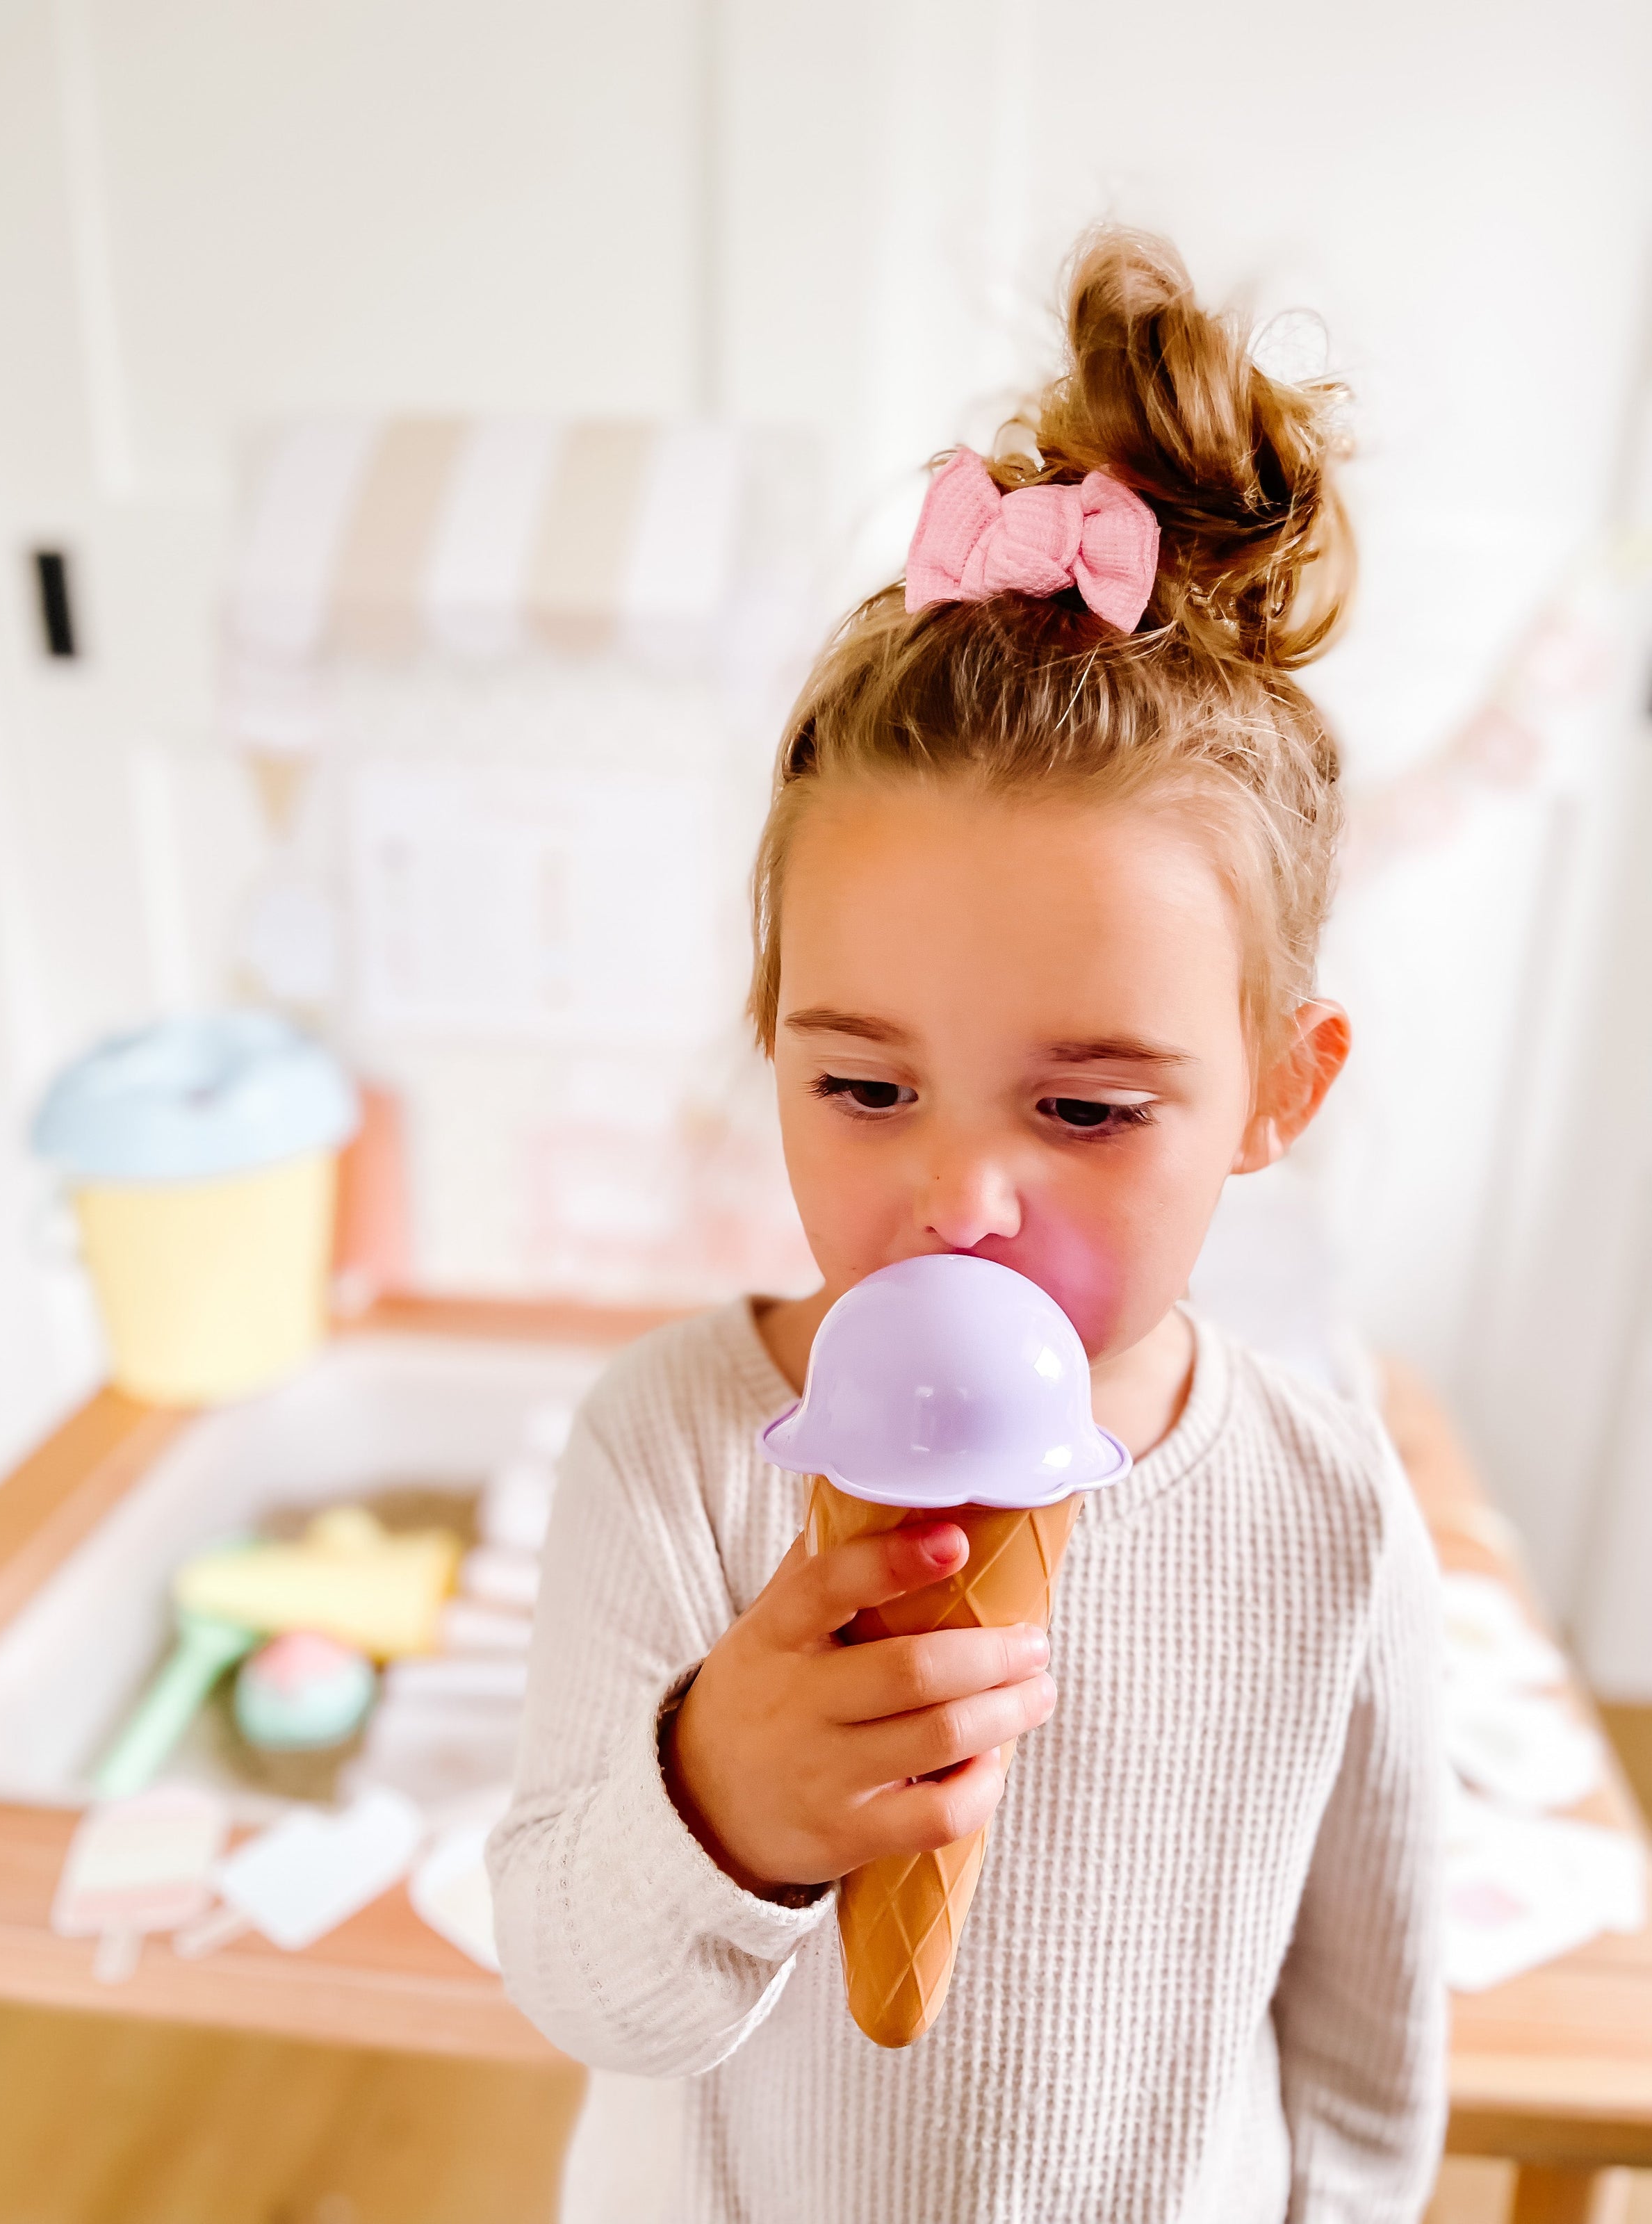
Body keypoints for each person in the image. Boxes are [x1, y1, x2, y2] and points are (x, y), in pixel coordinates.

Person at [489, 227, 1446, 2224]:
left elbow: (1367, 2045)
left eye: (1087, 1106)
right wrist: (719, 1808)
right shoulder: (670, 1449)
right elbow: (587, 1991)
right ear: (769, 1039)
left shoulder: (1327, 1503)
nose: (958, 1197)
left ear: (1280, 1091)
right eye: (861, 1084)